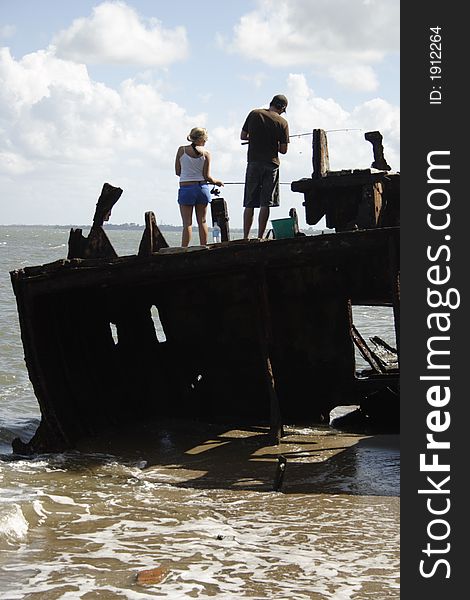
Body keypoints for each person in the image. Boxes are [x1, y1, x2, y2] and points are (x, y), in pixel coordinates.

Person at [240, 94, 289, 239]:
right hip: (271, 164)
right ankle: (260, 236)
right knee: (265, 203)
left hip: (254, 162)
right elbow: (284, 150)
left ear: (271, 103)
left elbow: (243, 136)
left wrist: (254, 139)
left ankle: (245, 237)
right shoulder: (283, 122)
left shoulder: (254, 114)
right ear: (283, 108)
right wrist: (273, 143)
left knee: (249, 202)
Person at [175, 127, 224, 246]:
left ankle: (184, 248)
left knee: (187, 223)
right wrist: (217, 182)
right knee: (202, 221)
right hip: (202, 188)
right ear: (203, 139)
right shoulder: (206, 153)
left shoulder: (182, 150)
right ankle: (203, 246)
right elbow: (207, 177)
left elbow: (178, 171)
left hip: (186, 189)